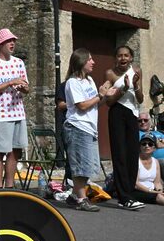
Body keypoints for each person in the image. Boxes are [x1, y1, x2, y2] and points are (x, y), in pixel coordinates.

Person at [62, 48, 112, 212]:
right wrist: (99, 95)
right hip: (77, 127)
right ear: (81, 62)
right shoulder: (72, 82)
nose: (93, 62)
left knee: (88, 166)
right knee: (80, 166)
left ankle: (73, 196)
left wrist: (105, 95)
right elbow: (82, 106)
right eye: (90, 59)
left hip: (89, 128)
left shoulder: (89, 80)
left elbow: (95, 104)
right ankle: (81, 199)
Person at [0, 28, 30, 189]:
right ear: (0, 44)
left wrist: (21, 87)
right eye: (9, 41)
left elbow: (27, 89)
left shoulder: (19, 63)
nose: (12, 43)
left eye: (13, 41)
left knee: (16, 150)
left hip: (18, 112)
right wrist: (9, 83)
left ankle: (9, 186)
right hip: (1, 114)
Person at [103, 45, 145, 210]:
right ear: (115, 58)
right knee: (120, 154)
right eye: (120, 56)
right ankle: (123, 197)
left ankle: (129, 193)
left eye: (126, 55)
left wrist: (134, 86)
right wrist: (124, 89)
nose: (123, 58)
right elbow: (108, 101)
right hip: (117, 113)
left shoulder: (137, 71)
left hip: (132, 114)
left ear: (131, 57)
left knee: (132, 155)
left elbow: (140, 99)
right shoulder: (110, 74)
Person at [133, 132, 164, 205]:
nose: (147, 146)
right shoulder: (135, 161)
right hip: (138, 191)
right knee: (159, 197)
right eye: (144, 144)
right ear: (140, 146)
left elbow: (157, 182)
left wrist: (160, 190)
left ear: (154, 148)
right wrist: (152, 191)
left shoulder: (155, 162)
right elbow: (135, 184)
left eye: (150, 144)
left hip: (152, 191)